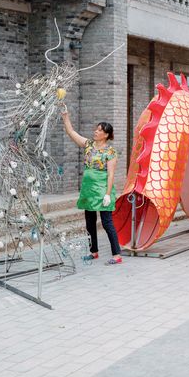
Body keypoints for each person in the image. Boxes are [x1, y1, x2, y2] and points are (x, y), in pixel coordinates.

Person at [61, 109, 122, 265]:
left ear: (106, 135)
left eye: (99, 130)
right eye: (96, 129)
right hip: (88, 188)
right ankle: (93, 251)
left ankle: (117, 255)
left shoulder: (110, 151)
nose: (96, 131)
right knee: (89, 221)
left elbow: (111, 174)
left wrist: (108, 194)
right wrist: (65, 115)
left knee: (107, 222)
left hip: (102, 189)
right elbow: (71, 132)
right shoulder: (88, 144)